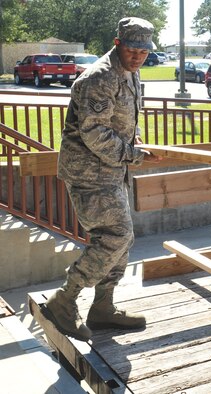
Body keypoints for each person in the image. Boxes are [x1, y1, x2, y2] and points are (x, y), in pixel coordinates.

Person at [44, 17, 161, 341]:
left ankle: (103, 307)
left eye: (144, 51)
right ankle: (64, 300)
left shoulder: (131, 74)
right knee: (113, 237)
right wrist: (134, 155)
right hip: (88, 172)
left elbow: (126, 119)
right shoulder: (99, 78)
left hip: (111, 170)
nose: (138, 56)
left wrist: (135, 140)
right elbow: (94, 133)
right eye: (133, 49)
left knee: (122, 239)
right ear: (118, 43)